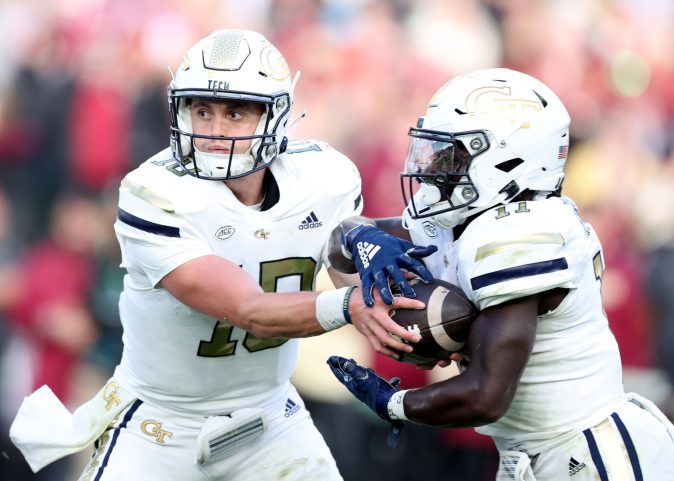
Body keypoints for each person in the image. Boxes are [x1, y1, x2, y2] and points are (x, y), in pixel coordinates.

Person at [9, 29, 431, 481]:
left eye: (235, 113)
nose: (213, 130)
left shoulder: (324, 177)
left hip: (271, 419)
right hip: (161, 429)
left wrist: (422, 317)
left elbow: (360, 286)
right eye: (202, 110)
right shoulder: (153, 191)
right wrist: (352, 305)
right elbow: (248, 310)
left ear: (276, 115)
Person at [327, 68, 674, 480]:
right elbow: (342, 237)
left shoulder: (522, 232)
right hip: (532, 454)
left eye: (451, 155)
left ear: (508, 157)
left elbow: (487, 395)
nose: (432, 167)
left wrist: (392, 402)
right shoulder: (467, 220)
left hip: (590, 452)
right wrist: (361, 239)